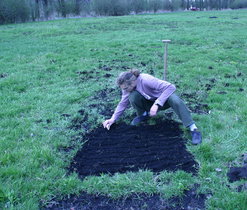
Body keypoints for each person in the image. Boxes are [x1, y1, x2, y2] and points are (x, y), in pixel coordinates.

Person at [102, 69, 202, 145]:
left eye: (126, 88)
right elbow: (123, 103)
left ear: (132, 82)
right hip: (150, 102)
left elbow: (171, 87)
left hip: (164, 99)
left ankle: (193, 128)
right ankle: (144, 115)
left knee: (175, 100)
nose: (125, 90)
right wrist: (113, 118)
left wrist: (157, 104)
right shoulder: (127, 88)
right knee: (132, 96)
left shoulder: (146, 80)